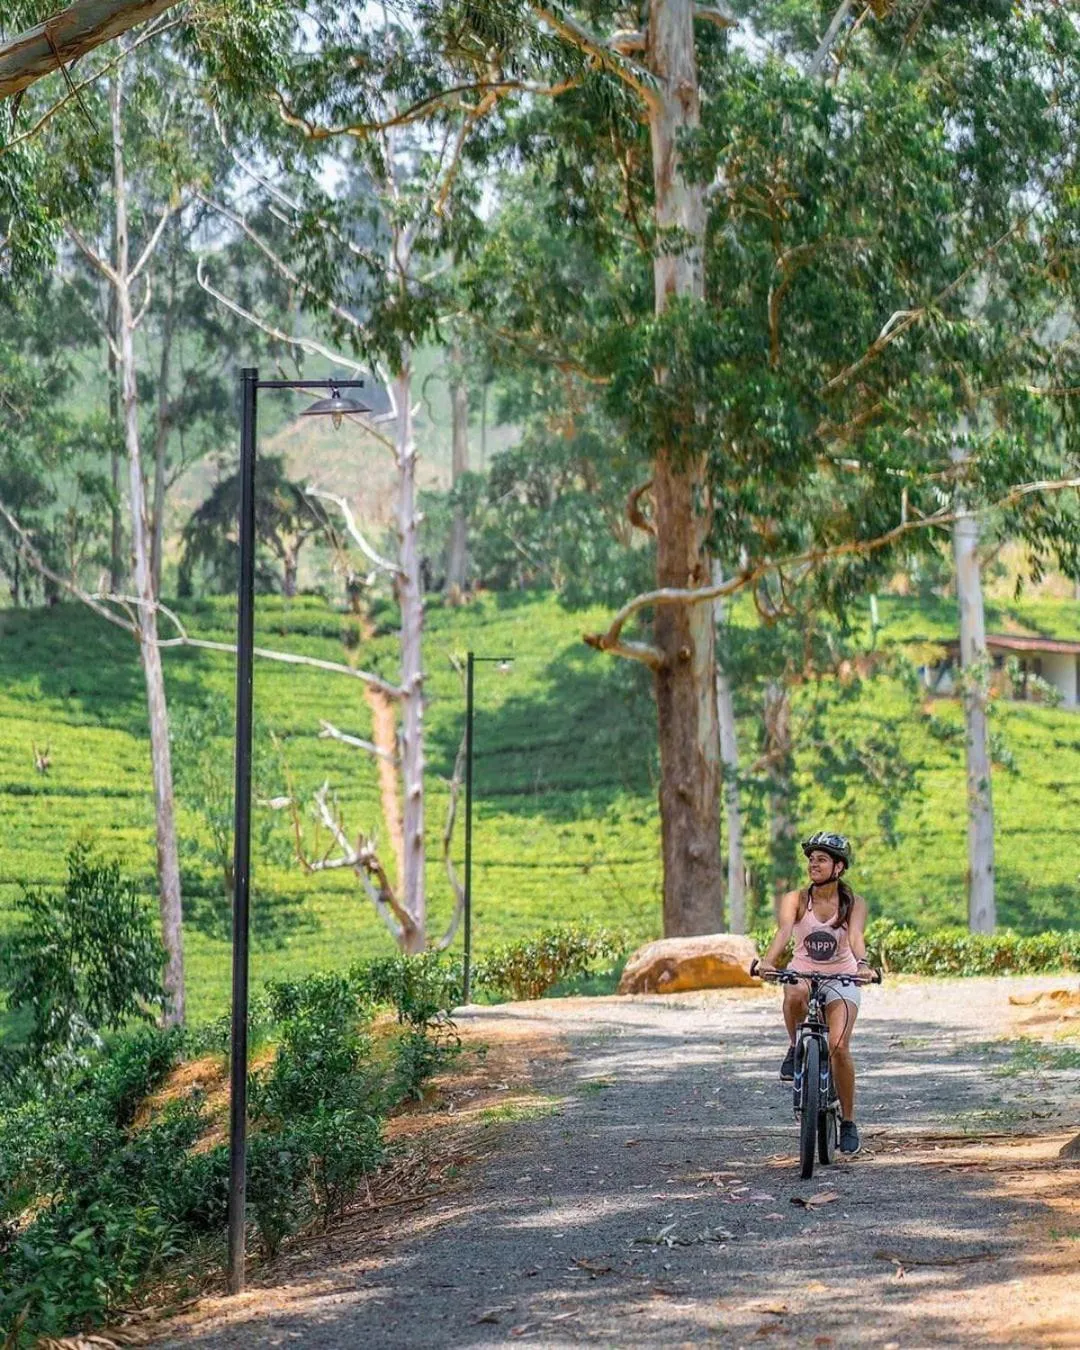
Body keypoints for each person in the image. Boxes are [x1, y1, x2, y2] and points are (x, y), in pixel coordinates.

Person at [758, 830, 875, 1157]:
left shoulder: (853, 903)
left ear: (838, 867)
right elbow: (783, 934)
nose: (814, 864)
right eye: (811, 859)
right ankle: (796, 1048)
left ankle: (849, 1122)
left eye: (821, 859)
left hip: (842, 976)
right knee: (793, 990)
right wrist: (768, 962)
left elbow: (855, 938)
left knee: (838, 1047)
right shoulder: (795, 899)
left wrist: (863, 965)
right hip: (804, 972)